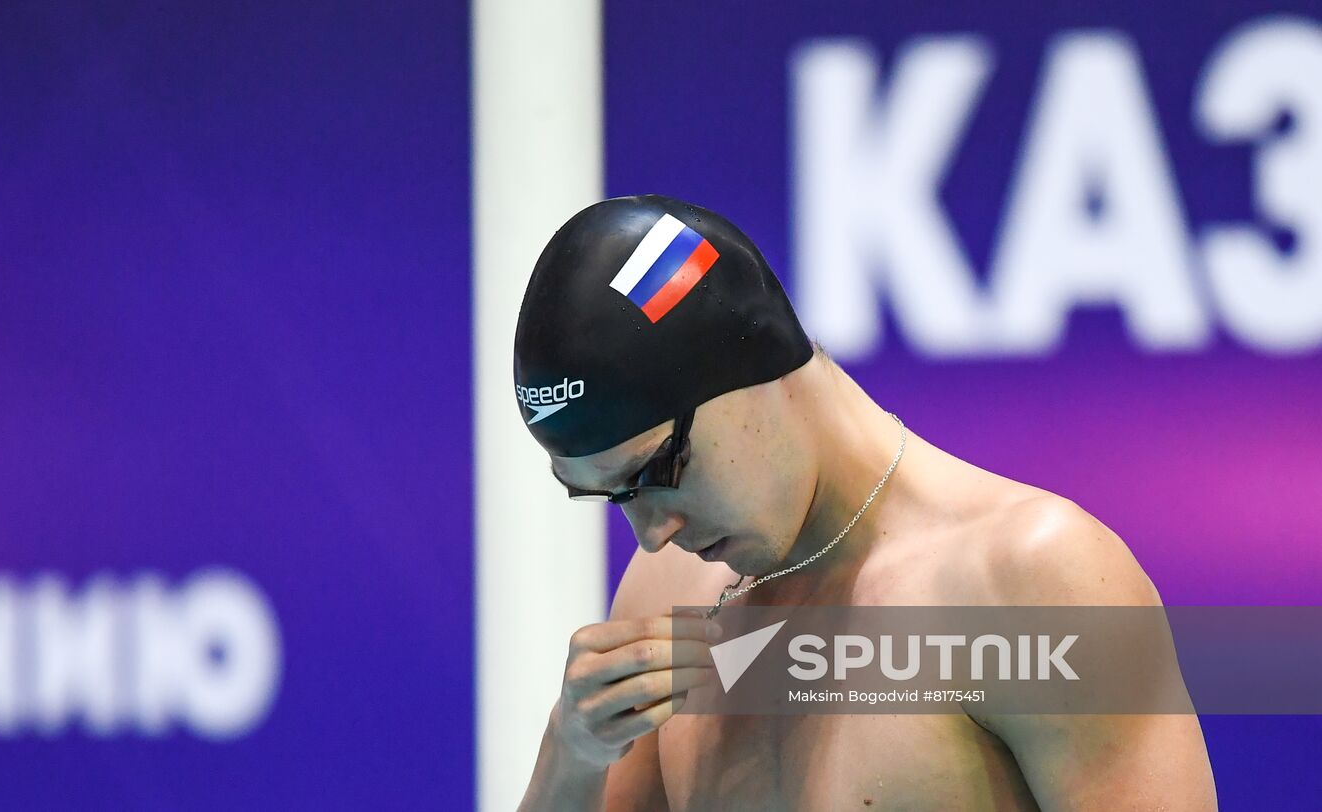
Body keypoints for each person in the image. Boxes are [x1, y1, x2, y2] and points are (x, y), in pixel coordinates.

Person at [512, 195, 1216, 810]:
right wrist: (572, 749)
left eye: (662, 467)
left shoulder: (1027, 581)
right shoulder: (671, 597)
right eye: (614, 496)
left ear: (753, 368)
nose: (652, 533)